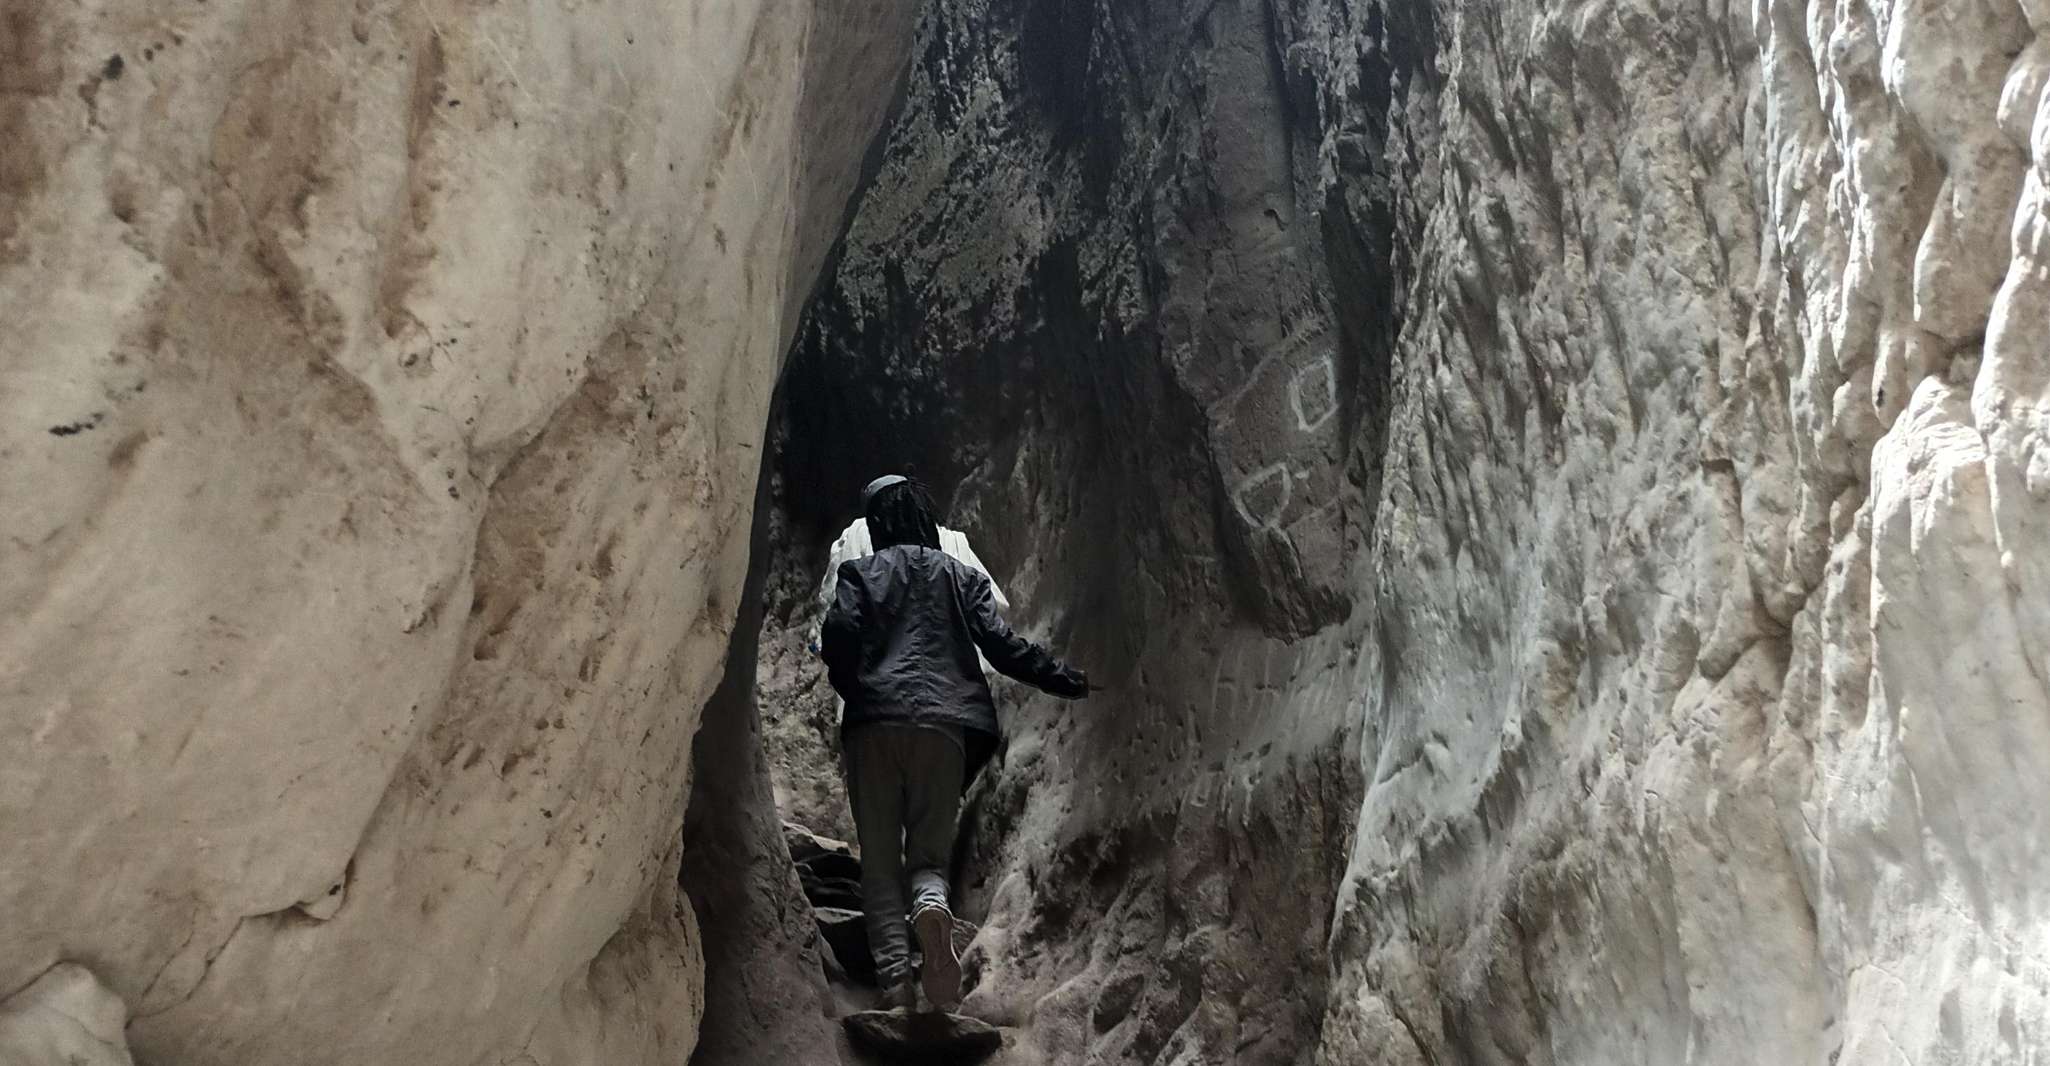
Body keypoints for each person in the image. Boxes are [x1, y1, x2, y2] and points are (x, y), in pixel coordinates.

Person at [819, 475, 1089, 1012]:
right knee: (927, 859)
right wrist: (1063, 678)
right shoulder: (962, 576)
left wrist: (860, 688)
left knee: (877, 864)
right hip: (945, 729)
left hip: (874, 724)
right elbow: (1002, 644)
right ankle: (932, 908)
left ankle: (897, 991)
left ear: (876, 524)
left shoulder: (860, 572)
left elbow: (839, 637)